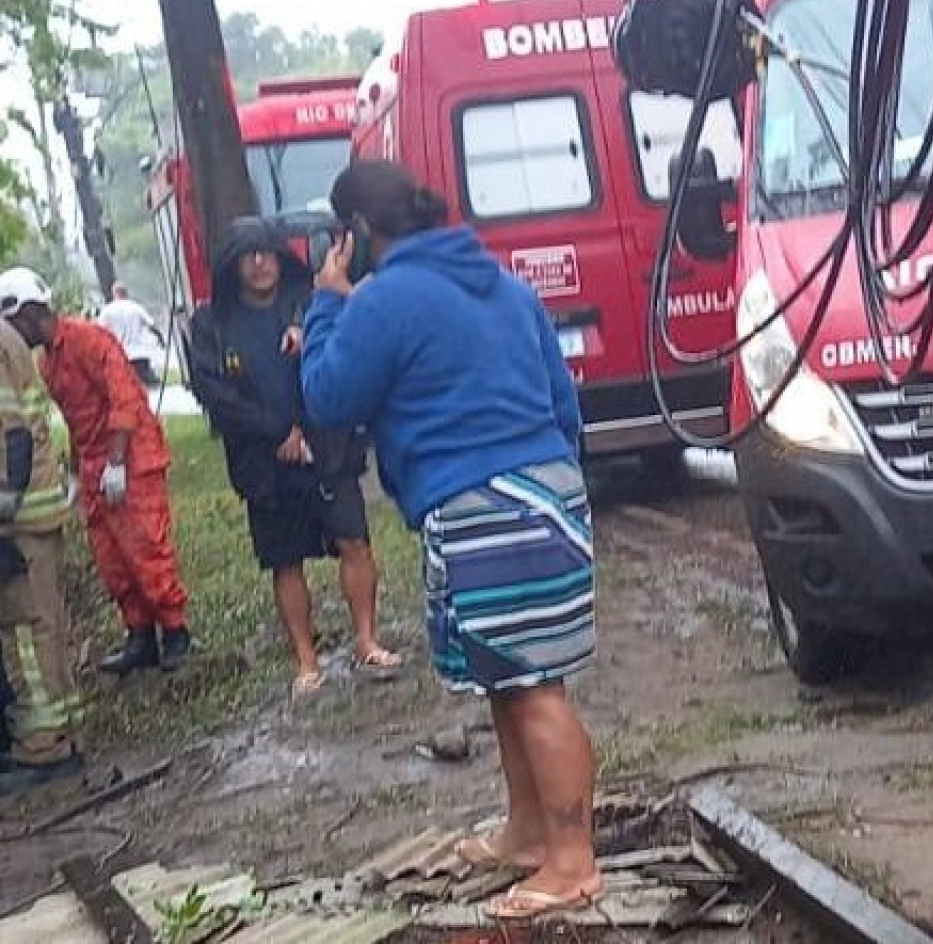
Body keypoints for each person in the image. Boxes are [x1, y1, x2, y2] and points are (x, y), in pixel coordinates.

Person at [300, 161, 600, 922]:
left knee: (534, 688)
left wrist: (328, 306)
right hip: (543, 491)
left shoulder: (385, 299)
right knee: (507, 678)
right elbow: (563, 402)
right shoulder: (502, 284)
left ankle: (572, 861)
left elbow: (331, 395)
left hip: (483, 503)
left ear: (359, 232)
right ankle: (530, 831)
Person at [186, 217, 402, 696]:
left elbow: (346, 355)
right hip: (262, 461)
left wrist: (303, 422)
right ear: (233, 264)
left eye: (267, 252)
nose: (261, 263)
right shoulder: (211, 325)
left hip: (327, 445)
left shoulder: (310, 302)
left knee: (354, 542)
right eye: (249, 255)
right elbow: (214, 394)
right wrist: (277, 432)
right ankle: (307, 660)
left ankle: (367, 639)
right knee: (285, 561)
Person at [0, 268, 192, 675]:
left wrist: (118, 462)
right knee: (112, 558)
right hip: (94, 466)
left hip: (132, 459)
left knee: (146, 548)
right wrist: (76, 473)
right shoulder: (48, 364)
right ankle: (140, 636)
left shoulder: (90, 340)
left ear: (30, 313)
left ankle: (176, 631)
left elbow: (123, 400)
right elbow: (75, 421)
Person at [0, 312, 83, 794]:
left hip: (19, 516)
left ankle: (43, 745)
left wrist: (3, 518)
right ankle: (62, 727)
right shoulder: (8, 337)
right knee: (46, 622)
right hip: (37, 508)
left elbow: (11, 436)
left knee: (27, 630)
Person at [99, 283, 166, 389]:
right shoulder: (135, 307)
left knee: (127, 387)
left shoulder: (107, 310)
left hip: (120, 354)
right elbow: (152, 325)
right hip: (140, 353)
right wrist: (161, 339)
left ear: (114, 294)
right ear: (126, 293)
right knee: (150, 385)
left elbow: (99, 331)